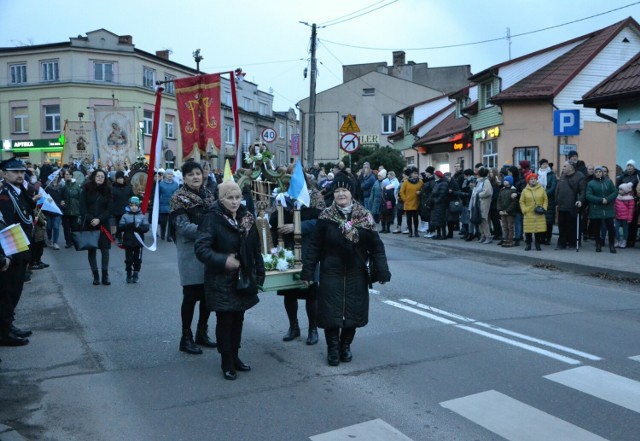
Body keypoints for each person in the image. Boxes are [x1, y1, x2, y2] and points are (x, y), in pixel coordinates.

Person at [300, 172, 391, 366]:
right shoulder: (326, 217)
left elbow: (376, 246)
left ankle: (345, 346)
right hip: (330, 271)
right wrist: (308, 271)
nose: (341, 194)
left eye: (344, 190)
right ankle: (332, 349)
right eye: (337, 190)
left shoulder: (364, 216)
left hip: (356, 271)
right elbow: (315, 246)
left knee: (353, 313)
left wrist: (382, 270)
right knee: (331, 313)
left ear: (351, 193)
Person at [195, 180, 265, 380]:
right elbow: (201, 249)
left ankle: (235, 356)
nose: (234, 202)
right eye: (229, 198)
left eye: (237, 197)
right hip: (220, 278)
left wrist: (259, 273)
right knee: (225, 320)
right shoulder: (212, 218)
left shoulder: (247, 217)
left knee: (239, 319)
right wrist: (223, 260)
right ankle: (226, 361)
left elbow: (255, 248)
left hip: (243, 278)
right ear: (221, 198)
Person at [169, 161, 217, 356]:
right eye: (190, 174)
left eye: (198, 173)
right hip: (190, 252)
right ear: (184, 178)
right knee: (190, 296)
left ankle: (201, 332)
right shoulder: (178, 198)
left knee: (207, 296)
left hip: (209, 251)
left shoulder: (208, 195)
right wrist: (210, 232)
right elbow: (183, 227)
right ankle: (185, 337)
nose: (196, 177)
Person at [272, 174, 325, 345]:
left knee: (311, 293)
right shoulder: (283, 198)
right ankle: (293, 327)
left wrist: (297, 227)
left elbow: (321, 222)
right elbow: (273, 221)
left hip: (309, 251)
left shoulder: (315, 198)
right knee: (290, 293)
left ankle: (313, 329)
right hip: (288, 251)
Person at [0, 158, 39, 346]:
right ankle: (3, 331)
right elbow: (5, 226)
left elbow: (26, 212)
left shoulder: (18, 191)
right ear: (4, 174)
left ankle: (8, 324)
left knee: (15, 291)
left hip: (22, 246)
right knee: (8, 292)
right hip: (12, 248)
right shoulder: (4, 195)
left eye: (22, 172)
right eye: (15, 172)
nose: (20, 175)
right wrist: (7, 255)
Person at [79, 169, 114, 285]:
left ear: (105, 179)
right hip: (90, 225)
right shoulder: (86, 189)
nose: (100, 178)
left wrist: (100, 219)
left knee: (105, 250)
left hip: (103, 224)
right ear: (94, 177)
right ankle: (96, 276)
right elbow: (83, 208)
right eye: (98, 176)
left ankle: (105, 275)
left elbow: (110, 209)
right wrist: (91, 219)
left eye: (102, 177)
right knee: (92, 250)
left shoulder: (108, 190)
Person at [118, 196, 150, 283]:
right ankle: (128, 273)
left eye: (136, 205)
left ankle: (136, 273)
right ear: (129, 206)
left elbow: (146, 228)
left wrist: (139, 228)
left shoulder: (142, 216)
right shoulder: (125, 215)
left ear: (138, 206)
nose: (134, 207)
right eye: (131, 205)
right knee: (128, 259)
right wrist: (129, 225)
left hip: (138, 242)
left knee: (137, 259)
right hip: (128, 241)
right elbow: (120, 227)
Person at [586, 166, 618, 253]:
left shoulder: (608, 181)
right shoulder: (591, 183)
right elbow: (588, 195)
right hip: (596, 208)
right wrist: (600, 200)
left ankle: (611, 245)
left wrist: (607, 199)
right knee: (596, 228)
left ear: (603, 173)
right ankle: (598, 244)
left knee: (611, 227)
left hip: (608, 208)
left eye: (600, 172)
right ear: (594, 174)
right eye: (596, 172)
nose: (598, 173)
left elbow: (615, 192)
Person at [555, 161, 586, 250]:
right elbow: (559, 188)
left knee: (571, 226)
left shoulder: (579, 176)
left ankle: (572, 242)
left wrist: (580, 200)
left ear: (571, 168)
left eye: (565, 166)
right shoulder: (563, 175)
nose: (563, 168)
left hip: (572, 205)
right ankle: (562, 243)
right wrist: (556, 199)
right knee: (561, 225)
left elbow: (582, 190)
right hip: (561, 205)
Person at [519, 174, 548, 251]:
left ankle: (537, 244)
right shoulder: (525, 191)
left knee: (538, 230)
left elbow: (545, 200)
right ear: (528, 181)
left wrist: (544, 208)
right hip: (528, 212)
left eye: (534, 179)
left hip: (539, 212)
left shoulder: (541, 189)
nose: (533, 180)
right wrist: (524, 210)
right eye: (531, 179)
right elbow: (521, 201)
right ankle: (528, 244)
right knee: (528, 230)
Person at [616, 159, 640, 247]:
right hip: (622, 201)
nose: (629, 167)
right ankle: (622, 239)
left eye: (631, 166)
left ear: (634, 167)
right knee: (623, 221)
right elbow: (617, 187)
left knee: (633, 221)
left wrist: (636, 197)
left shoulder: (638, 175)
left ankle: (631, 240)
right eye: (628, 165)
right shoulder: (622, 176)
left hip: (634, 201)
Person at [60, 169, 82, 248]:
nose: (68, 175)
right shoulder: (62, 185)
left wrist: (81, 209)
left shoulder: (76, 185)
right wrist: (61, 201)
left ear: (72, 175)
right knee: (66, 227)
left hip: (75, 210)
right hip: (66, 210)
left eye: (69, 174)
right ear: (63, 176)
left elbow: (80, 197)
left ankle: (74, 241)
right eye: (66, 174)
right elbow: (60, 197)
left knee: (75, 227)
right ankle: (68, 242)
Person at [537, 159, 557, 245]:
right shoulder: (537, 174)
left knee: (548, 221)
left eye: (546, 164)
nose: (545, 166)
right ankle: (541, 237)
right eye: (543, 164)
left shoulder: (552, 175)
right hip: (539, 200)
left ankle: (548, 238)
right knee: (540, 219)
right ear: (540, 165)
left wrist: (544, 194)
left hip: (549, 200)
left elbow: (553, 187)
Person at [399, 166, 422, 237]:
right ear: (411, 174)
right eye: (414, 173)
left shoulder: (420, 182)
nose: (416, 175)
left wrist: (420, 192)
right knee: (409, 219)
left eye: (416, 173)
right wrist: (405, 199)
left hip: (416, 203)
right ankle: (410, 232)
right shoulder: (406, 182)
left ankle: (416, 231)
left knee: (416, 219)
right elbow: (401, 192)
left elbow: (423, 190)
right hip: (408, 203)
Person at [111, 170, 133, 244]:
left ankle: (126, 237)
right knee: (119, 225)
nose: (120, 179)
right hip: (116, 209)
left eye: (121, 178)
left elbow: (132, 196)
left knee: (127, 224)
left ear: (123, 178)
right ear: (116, 179)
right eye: (118, 178)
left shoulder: (128, 187)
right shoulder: (112, 187)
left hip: (126, 209)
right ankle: (119, 237)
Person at [473, 167, 494, 244]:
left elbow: (488, 192)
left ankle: (488, 236)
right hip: (479, 202)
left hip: (484, 202)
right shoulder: (480, 181)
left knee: (483, 219)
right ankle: (483, 235)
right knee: (480, 219)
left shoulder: (486, 181)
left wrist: (478, 195)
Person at [497, 176, 519, 247]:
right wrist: (500, 209)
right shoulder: (502, 190)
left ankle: (510, 240)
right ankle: (505, 239)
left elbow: (514, 203)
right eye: (504, 180)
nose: (504, 181)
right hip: (502, 211)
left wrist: (507, 210)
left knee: (510, 226)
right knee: (504, 226)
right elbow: (499, 200)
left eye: (506, 180)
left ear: (510, 182)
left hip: (510, 213)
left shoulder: (513, 190)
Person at [158, 170, 179, 241]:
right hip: (163, 204)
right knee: (163, 222)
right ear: (165, 175)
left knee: (171, 222)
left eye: (171, 174)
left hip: (172, 205)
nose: (170, 175)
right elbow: (158, 195)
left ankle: (169, 236)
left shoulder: (176, 184)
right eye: (168, 174)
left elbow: (177, 195)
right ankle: (162, 234)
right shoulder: (161, 184)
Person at [614, 182, 635, 248]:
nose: (619, 191)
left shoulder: (630, 199)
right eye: (619, 189)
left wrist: (629, 218)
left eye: (621, 190)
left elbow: (631, 209)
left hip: (626, 217)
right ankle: (618, 240)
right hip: (617, 216)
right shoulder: (617, 197)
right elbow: (614, 207)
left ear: (625, 191)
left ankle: (624, 241)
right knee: (615, 228)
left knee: (625, 230)